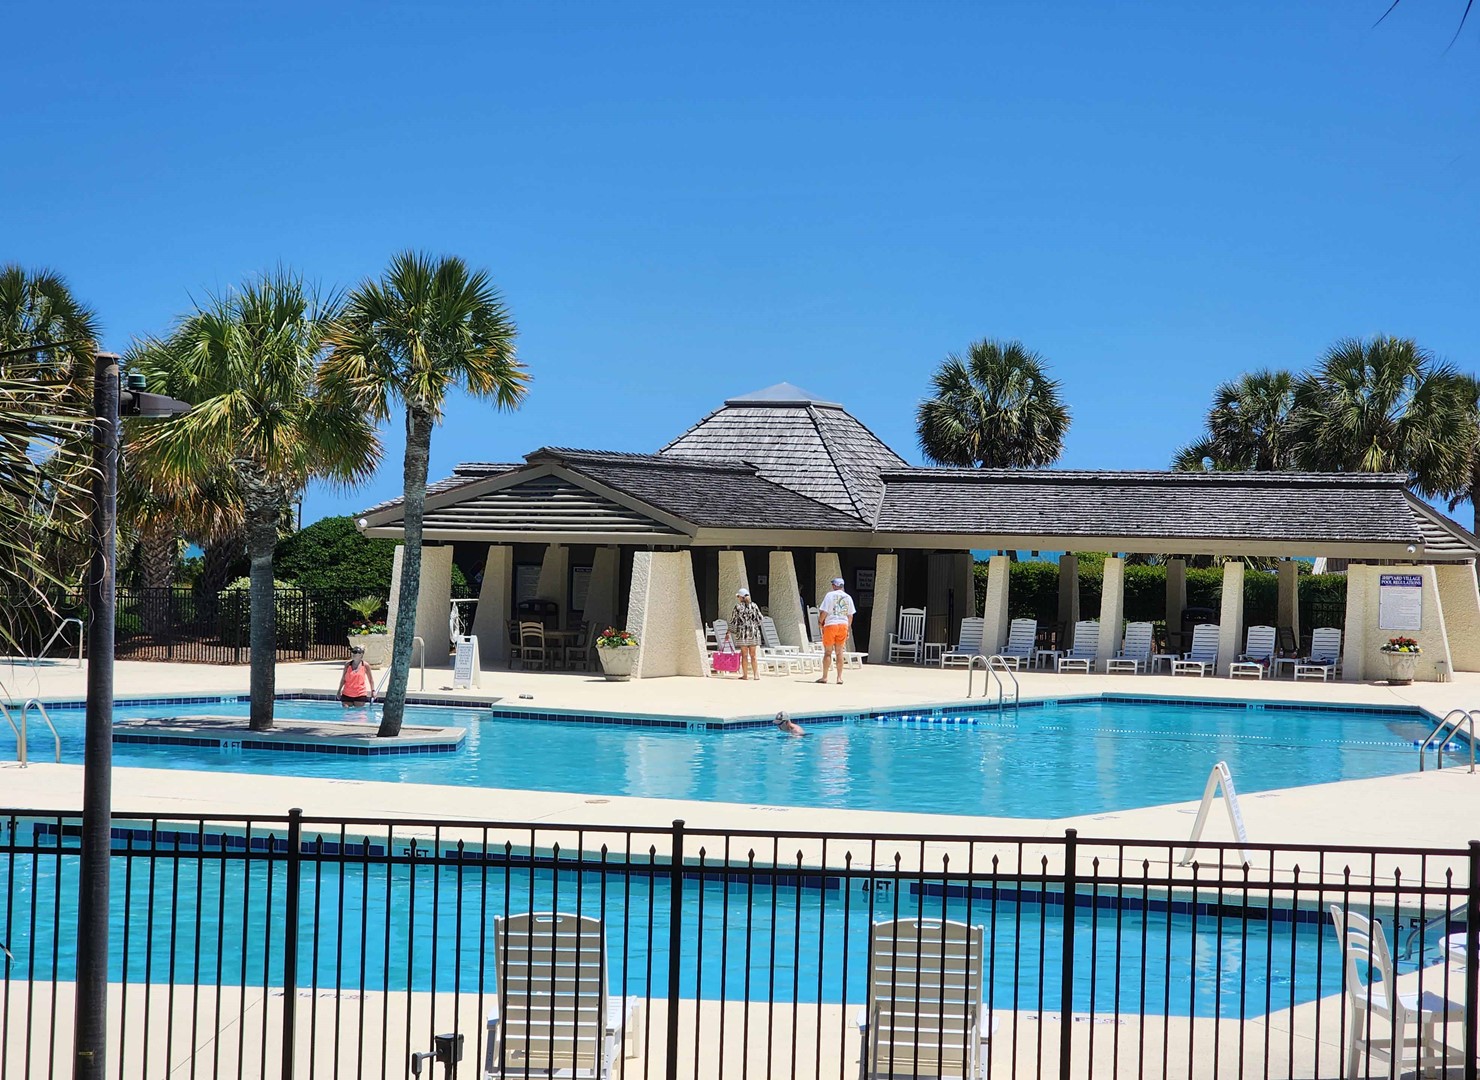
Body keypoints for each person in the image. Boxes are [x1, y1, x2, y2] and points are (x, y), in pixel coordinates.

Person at [815, 576, 856, 685]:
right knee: (840, 653)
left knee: (828, 652)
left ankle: (824, 677)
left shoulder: (829, 595)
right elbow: (850, 615)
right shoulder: (848, 597)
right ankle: (839, 678)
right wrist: (847, 628)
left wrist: (820, 622)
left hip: (831, 625)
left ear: (835, 586)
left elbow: (824, 612)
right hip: (843, 625)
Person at [728, 587, 763, 681]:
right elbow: (760, 618)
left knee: (744, 655)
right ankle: (756, 675)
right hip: (753, 632)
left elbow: (733, 620)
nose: (738, 598)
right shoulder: (754, 606)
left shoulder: (738, 607)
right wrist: (753, 625)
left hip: (742, 633)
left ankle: (745, 675)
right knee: (753, 655)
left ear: (741, 597)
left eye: (738, 596)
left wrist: (729, 632)